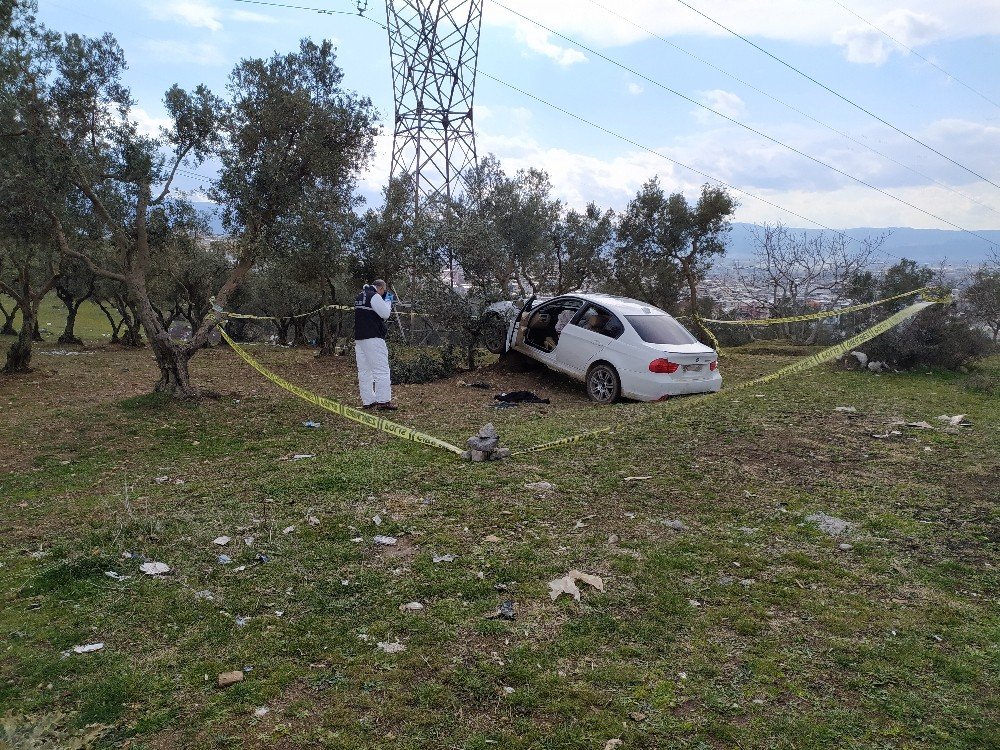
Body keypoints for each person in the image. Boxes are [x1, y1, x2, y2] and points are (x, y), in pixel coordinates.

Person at [354, 279, 397, 410]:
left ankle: (368, 400)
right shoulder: (375, 296)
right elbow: (385, 314)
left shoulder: (360, 296)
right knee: (381, 370)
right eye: (383, 292)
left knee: (364, 371)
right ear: (381, 289)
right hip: (373, 337)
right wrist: (388, 301)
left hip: (359, 338)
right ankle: (383, 401)